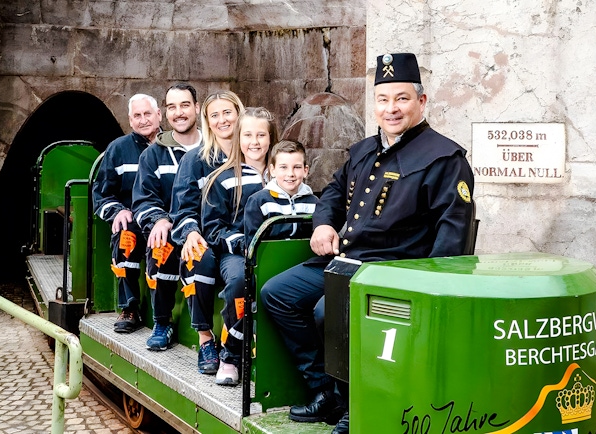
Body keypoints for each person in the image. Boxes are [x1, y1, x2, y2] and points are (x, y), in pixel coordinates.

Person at [260, 52, 475, 434]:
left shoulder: (445, 158)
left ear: (421, 101)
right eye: (383, 99)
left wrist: (429, 290)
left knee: (332, 310)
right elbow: (331, 195)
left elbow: (452, 236)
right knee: (278, 293)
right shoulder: (362, 151)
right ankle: (325, 390)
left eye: (402, 98)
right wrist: (323, 226)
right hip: (346, 260)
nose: (391, 109)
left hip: (393, 272)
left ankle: (355, 407)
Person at [193, 107, 278, 385]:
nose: (255, 142)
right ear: (238, 138)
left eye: (261, 135)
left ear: (271, 137)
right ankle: (231, 356)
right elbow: (213, 227)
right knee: (241, 282)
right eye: (248, 135)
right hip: (237, 253)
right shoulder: (223, 177)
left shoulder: (283, 173)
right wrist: (243, 243)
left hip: (276, 249)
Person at [169, 91, 245, 371]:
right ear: (207, 121)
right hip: (206, 236)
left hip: (239, 239)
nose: (223, 120)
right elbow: (183, 206)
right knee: (199, 257)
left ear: (239, 115)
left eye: (228, 112)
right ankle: (205, 339)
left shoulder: (252, 153)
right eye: (215, 115)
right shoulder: (195, 160)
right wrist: (189, 232)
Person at [131, 83, 202, 351]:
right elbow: (144, 199)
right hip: (172, 230)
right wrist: (158, 220)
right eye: (172, 107)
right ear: (166, 113)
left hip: (208, 229)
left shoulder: (214, 149)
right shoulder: (153, 155)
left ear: (196, 108)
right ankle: (162, 321)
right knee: (160, 246)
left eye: (185, 105)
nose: (179, 113)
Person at [93, 93, 161, 334]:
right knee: (125, 236)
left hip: (165, 222)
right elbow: (101, 193)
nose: (143, 120)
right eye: (137, 116)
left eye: (147, 114)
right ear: (130, 121)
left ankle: (163, 314)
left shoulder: (173, 147)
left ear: (159, 115)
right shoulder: (118, 149)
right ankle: (129, 307)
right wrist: (118, 211)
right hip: (133, 221)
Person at [244, 140, 318, 247]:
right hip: (270, 258)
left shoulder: (314, 202)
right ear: (273, 170)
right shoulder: (258, 202)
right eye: (283, 167)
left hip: (306, 257)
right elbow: (252, 244)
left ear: (305, 170)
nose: (290, 174)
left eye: (297, 167)